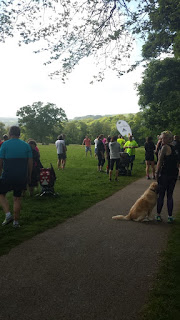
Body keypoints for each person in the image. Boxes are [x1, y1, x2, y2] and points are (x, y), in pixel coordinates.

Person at [0, 126, 33, 228]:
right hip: (21, 176)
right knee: (17, 198)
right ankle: (16, 222)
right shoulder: (26, 145)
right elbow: (30, 162)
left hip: (7, 175)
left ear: (10, 134)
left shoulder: (4, 144)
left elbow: (0, 162)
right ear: (19, 134)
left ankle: (8, 214)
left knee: (1, 194)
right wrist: (29, 175)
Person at [155, 131, 179, 223]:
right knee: (169, 195)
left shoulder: (165, 147)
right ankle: (170, 216)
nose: (162, 140)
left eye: (164, 138)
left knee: (161, 195)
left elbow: (160, 162)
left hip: (165, 174)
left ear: (169, 139)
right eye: (162, 138)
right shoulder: (175, 148)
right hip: (173, 174)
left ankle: (158, 215)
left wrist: (157, 173)